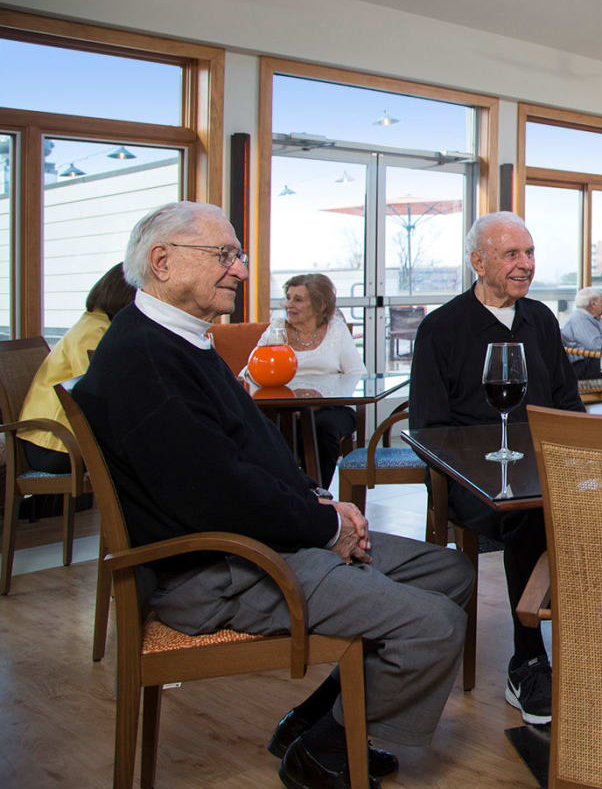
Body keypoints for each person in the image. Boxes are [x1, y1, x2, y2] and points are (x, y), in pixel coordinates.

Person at [73, 202, 473, 789]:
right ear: (162, 261)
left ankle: (311, 723)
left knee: (450, 572)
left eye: (237, 255)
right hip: (216, 569)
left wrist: (321, 504)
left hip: (256, 542)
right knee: (434, 624)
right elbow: (216, 496)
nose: (239, 269)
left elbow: (250, 457)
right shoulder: (144, 360)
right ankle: (325, 751)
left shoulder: (186, 342)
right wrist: (325, 528)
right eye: (224, 255)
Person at [409, 211, 583, 727]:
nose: (525, 265)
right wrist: (485, 465)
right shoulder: (441, 328)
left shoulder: (542, 320)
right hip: (469, 484)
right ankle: (527, 660)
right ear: (477, 262)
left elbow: (568, 406)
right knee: (530, 514)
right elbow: (429, 431)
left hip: (541, 470)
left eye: (529, 253)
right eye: (512, 255)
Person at [17, 263, 135, 475]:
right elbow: (99, 396)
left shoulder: (98, 324)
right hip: (55, 445)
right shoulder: (93, 332)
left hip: (61, 439)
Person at [251, 273, 366, 484]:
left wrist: (319, 400)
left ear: (321, 304)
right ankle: (283, 492)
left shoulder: (336, 329)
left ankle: (317, 493)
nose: (288, 305)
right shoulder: (276, 329)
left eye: (298, 299)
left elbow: (356, 375)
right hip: (282, 409)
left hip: (331, 407)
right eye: (288, 297)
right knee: (267, 425)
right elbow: (250, 372)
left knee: (322, 428)